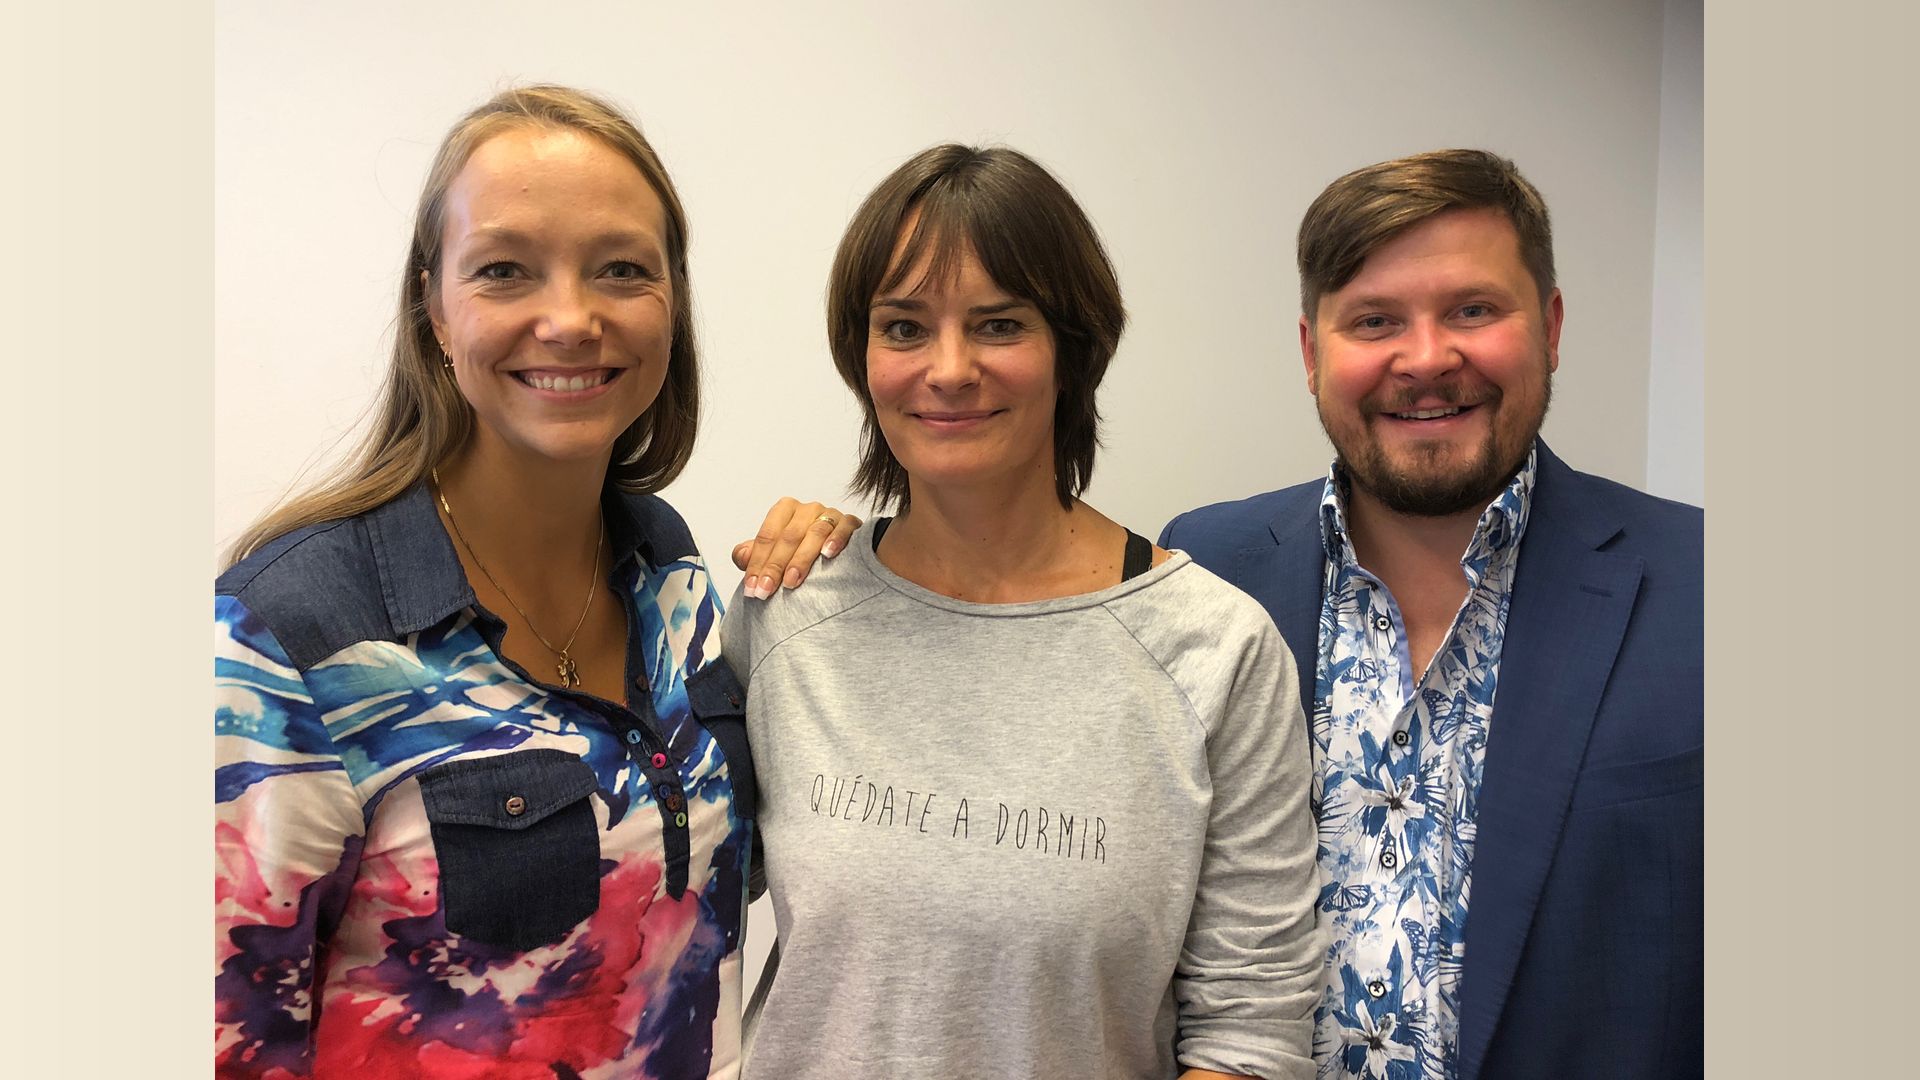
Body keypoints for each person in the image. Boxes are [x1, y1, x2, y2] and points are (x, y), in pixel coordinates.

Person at [214, 85, 856, 1079]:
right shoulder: (285, 640)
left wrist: (861, 572)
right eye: (505, 270)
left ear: (674, 303)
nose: (571, 319)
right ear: (434, 309)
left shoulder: (668, 567)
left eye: (621, 269)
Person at [722, 144, 1324, 1080]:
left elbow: (1253, 1028)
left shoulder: (1216, 647)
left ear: (1072, 350)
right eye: (904, 327)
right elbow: (675, 906)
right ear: (861, 357)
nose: (949, 369)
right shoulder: (783, 612)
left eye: (999, 324)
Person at [1160, 149, 1703, 1080]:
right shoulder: (1206, 567)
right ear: (1311, 353)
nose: (1425, 359)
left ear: (1552, 327)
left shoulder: (1709, 585)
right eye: (1375, 321)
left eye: (1473, 310)